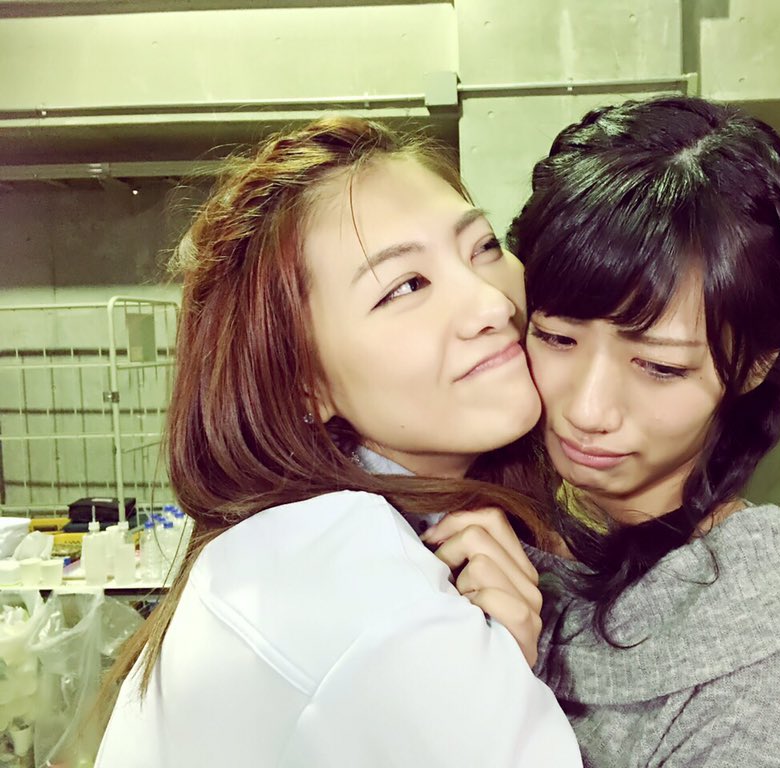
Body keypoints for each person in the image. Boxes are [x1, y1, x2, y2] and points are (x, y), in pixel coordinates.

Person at [93, 117, 582, 767]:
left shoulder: (301, 541)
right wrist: (499, 669)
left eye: (483, 247)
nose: (492, 304)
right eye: (406, 287)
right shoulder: (368, 598)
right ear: (303, 383)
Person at [503, 95, 780, 767]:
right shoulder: (477, 516)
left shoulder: (775, 650)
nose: (588, 410)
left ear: (753, 366)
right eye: (555, 337)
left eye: (660, 367)